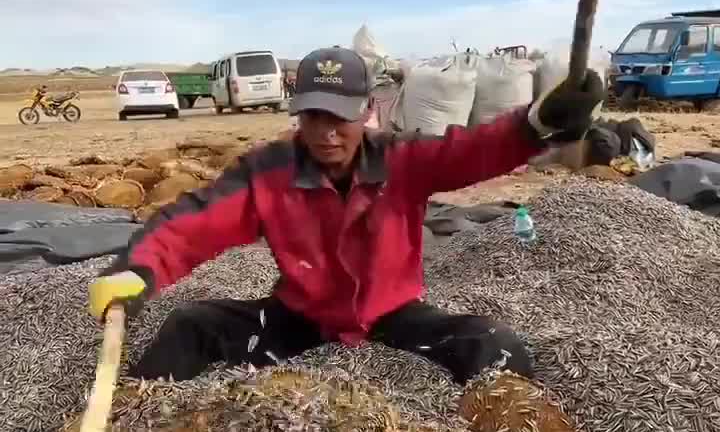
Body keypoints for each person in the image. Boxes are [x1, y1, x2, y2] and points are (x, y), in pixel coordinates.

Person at [88, 47, 604, 386]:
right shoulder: (268, 173)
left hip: (392, 317)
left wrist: (537, 124)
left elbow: (474, 150)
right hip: (299, 320)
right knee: (192, 324)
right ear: (299, 114)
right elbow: (194, 224)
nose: (327, 132)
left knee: (492, 344)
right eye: (314, 115)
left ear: (367, 112)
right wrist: (139, 269)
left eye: (340, 116)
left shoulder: (403, 160)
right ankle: (132, 423)